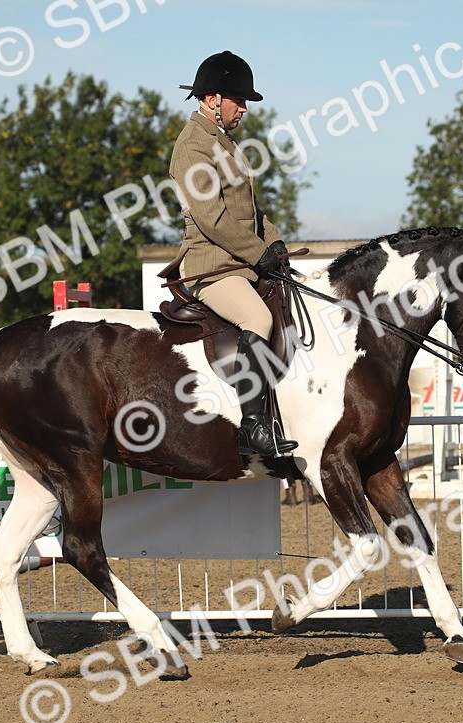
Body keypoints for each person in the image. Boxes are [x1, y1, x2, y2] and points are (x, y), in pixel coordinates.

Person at [167, 50, 297, 457]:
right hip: (213, 266)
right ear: (212, 99)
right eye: (238, 100)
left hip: (240, 260)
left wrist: (274, 243)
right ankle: (253, 428)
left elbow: (250, 209)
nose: (244, 108)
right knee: (258, 318)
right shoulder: (192, 146)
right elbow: (212, 218)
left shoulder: (224, 142)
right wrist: (259, 253)